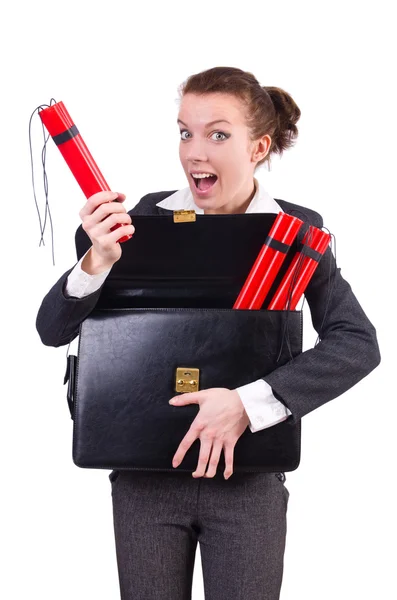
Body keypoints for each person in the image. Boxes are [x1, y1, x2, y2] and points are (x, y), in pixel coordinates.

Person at [36, 66, 381, 600]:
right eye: (185, 131)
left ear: (259, 146)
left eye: (218, 134)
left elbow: (357, 344)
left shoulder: (296, 231)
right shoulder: (136, 221)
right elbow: (52, 330)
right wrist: (96, 261)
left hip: (248, 482)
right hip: (145, 476)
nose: (195, 151)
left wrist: (248, 402)